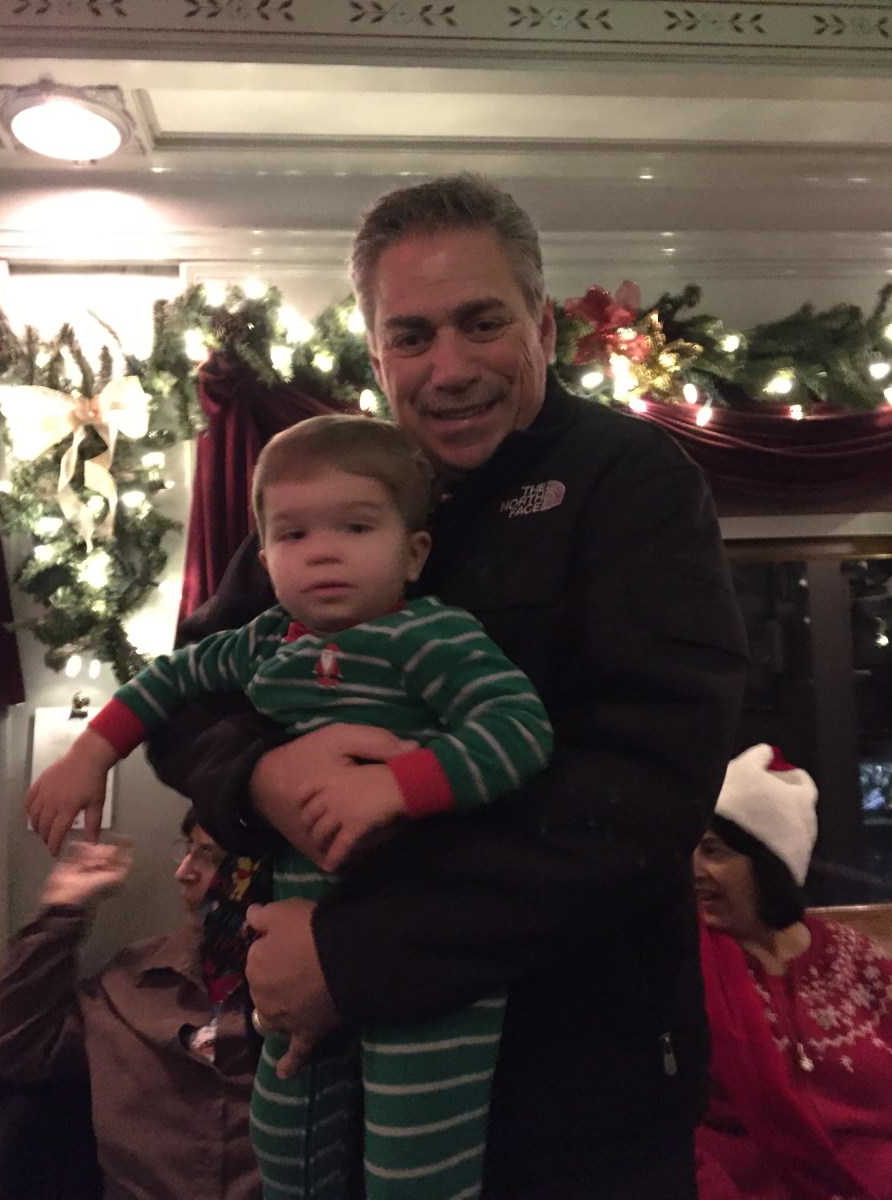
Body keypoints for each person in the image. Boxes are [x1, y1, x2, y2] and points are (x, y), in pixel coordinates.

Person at [144, 172, 748, 1199]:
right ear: (377, 354)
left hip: (575, 1087)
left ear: (543, 327)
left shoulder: (629, 478)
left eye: (483, 323)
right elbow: (191, 693)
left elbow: (646, 784)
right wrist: (263, 779)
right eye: (412, 336)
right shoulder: (339, 483)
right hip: (339, 1070)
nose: (451, 368)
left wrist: (354, 957)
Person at [25, 414, 555, 1200]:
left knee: (412, 1166)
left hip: (424, 948)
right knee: (283, 1133)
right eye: (294, 534)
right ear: (265, 556)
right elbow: (168, 680)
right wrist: (89, 754)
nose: (323, 551)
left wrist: (395, 786)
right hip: (295, 948)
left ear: (414, 552)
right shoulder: (262, 641)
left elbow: (519, 729)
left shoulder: (432, 636)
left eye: (356, 527)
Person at [0, 809, 269, 1200]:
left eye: (209, 857)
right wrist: (62, 910)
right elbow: (14, 1048)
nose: (183, 873)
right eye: (188, 851)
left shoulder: (310, 997)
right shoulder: (129, 984)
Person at [694, 743, 892, 1200]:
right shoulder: (680, 967)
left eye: (713, 851)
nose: (694, 870)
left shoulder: (858, 959)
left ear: (768, 863)